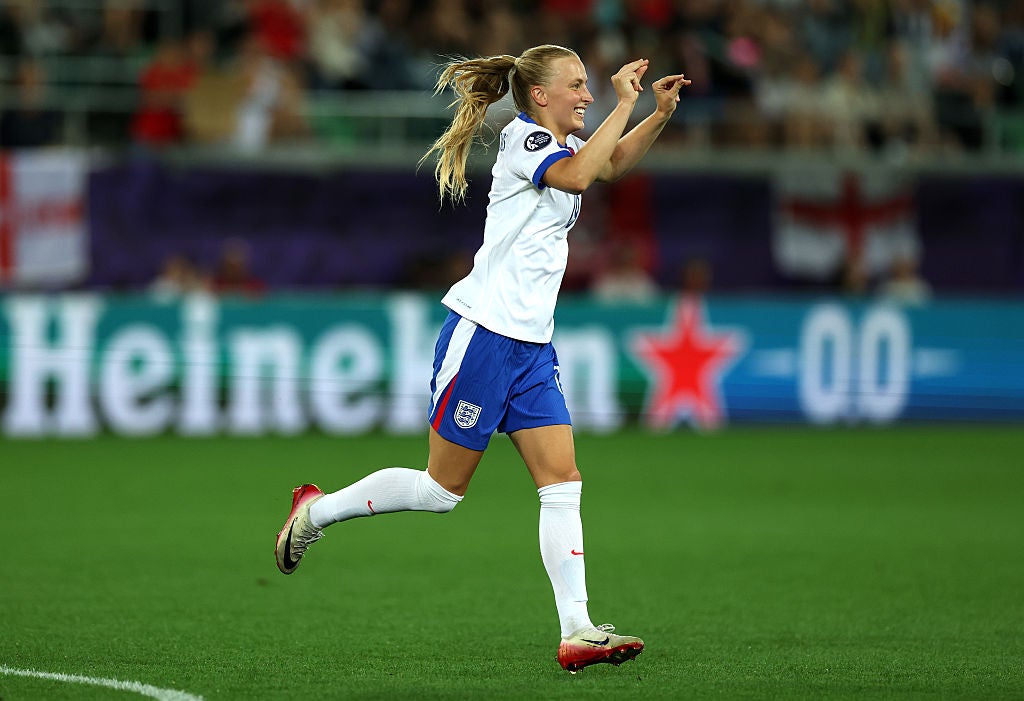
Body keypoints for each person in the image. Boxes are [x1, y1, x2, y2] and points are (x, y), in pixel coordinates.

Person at [274, 43, 689, 673]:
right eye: (577, 86)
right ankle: (316, 511)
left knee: (562, 486)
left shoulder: (566, 147)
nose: (586, 94)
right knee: (442, 491)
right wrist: (623, 102)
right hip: (484, 338)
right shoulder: (525, 141)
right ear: (540, 96)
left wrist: (655, 114)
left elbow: (609, 166)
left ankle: (577, 629)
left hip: (530, 347)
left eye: (588, 86)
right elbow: (582, 177)